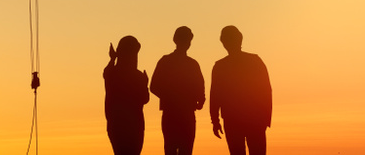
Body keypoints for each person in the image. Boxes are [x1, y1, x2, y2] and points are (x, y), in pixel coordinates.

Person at [210, 26, 272, 155]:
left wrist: (215, 121)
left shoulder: (220, 66)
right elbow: (215, 95)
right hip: (248, 120)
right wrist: (265, 119)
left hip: (245, 120)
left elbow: (266, 90)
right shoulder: (255, 61)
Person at [150, 26, 205, 155]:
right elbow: (154, 87)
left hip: (183, 114)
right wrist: (173, 97)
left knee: (181, 150)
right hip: (174, 114)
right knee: (173, 149)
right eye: (185, 40)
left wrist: (200, 99)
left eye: (188, 40)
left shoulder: (191, 64)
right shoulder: (168, 61)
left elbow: (200, 88)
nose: (187, 43)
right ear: (176, 40)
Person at [104, 35, 150, 155]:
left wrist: (113, 58)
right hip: (131, 126)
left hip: (118, 125)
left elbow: (144, 99)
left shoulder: (112, 73)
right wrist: (145, 84)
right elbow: (145, 98)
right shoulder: (137, 76)